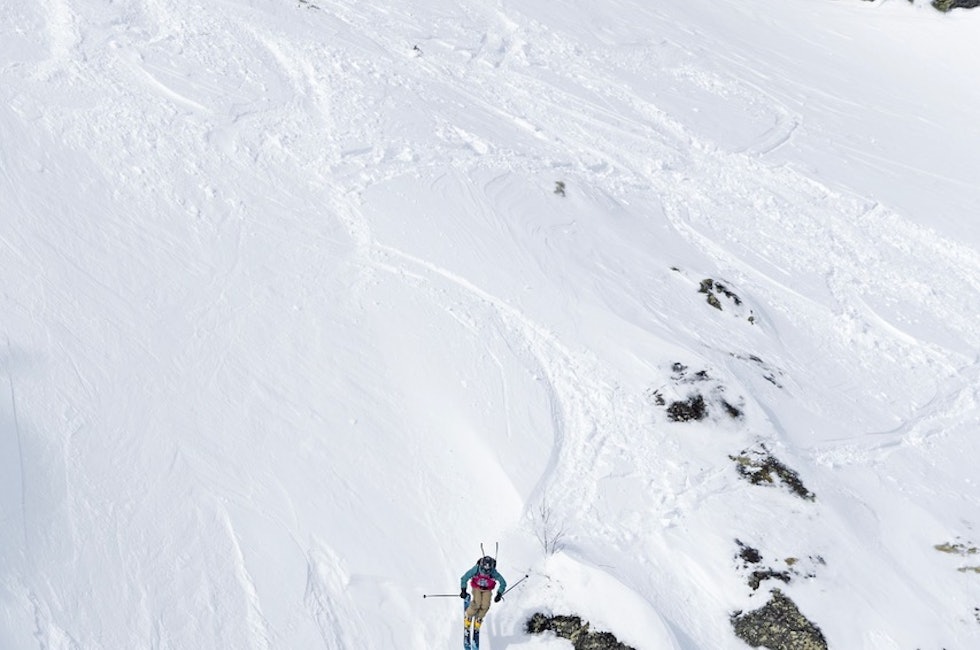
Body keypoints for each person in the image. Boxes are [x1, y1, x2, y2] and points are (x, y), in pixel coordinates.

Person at [459, 555, 507, 629]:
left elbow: (503, 582)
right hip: (476, 587)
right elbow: (465, 578)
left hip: (487, 589)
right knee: (477, 603)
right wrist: (463, 590)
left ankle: (479, 617)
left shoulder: (493, 572)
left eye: (488, 570)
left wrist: (499, 594)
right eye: (484, 569)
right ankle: (468, 615)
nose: (485, 572)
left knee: (486, 605)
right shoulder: (476, 569)